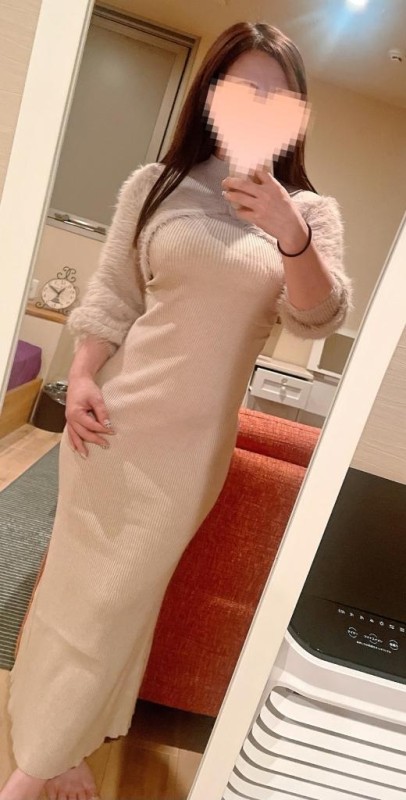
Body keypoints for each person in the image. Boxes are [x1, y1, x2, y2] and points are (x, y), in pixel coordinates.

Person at [1, 20, 352, 800]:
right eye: (243, 88)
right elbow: (113, 295)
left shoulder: (310, 212)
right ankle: (48, 753)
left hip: (191, 449)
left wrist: (290, 233)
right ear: (212, 95)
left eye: (278, 94)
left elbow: (318, 319)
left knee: (121, 594)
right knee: (76, 592)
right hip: (113, 421)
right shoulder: (156, 184)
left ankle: (48, 752)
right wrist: (81, 376)